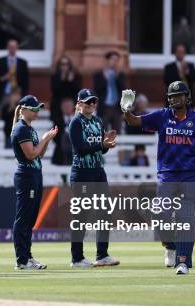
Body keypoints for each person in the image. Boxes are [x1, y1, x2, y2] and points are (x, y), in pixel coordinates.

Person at [122, 81, 195, 275]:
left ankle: (183, 262)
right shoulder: (162, 116)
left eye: (178, 96)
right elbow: (134, 121)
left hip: (191, 175)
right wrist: (126, 110)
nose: (174, 99)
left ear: (187, 97)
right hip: (167, 175)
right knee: (160, 214)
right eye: (171, 97)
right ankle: (170, 245)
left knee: (185, 217)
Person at [68, 89, 119, 268]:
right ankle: (77, 258)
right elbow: (79, 149)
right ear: (80, 104)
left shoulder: (98, 121)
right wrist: (101, 144)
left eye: (93, 102)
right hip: (82, 173)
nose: (91, 105)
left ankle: (102, 254)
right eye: (87, 102)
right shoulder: (75, 122)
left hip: (98, 171)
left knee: (104, 214)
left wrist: (107, 145)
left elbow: (100, 148)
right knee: (81, 216)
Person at [10, 95, 58, 270]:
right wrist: (45, 139)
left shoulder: (29, 129)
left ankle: (27, 256)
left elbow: (38, 154)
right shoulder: (21, 129)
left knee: (30, 218)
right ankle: (22, 259)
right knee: (24, 217)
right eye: (33, 108)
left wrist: (47, 140)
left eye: (38, 108)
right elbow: (30, 155)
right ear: (23, 110)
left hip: (35, 173)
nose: (37, 111)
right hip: (27, 175)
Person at [0, 39, 29, 115]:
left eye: (14, 47)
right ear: (7, 48)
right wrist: (3, 78)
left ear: (17, 48)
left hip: (17, 93)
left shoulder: (22, 63)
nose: (12, 49)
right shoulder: (0, 61)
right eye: (10, 47)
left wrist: (22, 95)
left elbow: (26, 82)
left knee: (19, 113)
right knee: (2, 113)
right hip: (4, 93)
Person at [93, 51, 125, 132]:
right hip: (104, 107)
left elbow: (123, 89)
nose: (115, 62)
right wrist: (105, 80)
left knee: (117, 132)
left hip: (116, 107)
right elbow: (97, 89)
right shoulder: (99, 75)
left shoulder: (120, 75)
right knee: (103, 132)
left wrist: (117, 78)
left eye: (117, 60)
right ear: (107, 61)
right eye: (113, 59)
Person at [50, 56, 82, 123]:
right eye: (62, 64)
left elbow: (78, 90)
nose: (64, 66)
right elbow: (55, 91)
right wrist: (61, 80)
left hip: (72, 103)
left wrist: (71, 81)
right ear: (59, 66)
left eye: (66, 64)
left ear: (69, 65)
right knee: (58, 124)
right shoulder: (55, 76)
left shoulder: (75, 76)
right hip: (58, 104)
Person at [51, 98, 75, 166]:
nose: (67, 108)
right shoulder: (57, 121)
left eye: (68, 106)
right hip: (61, 154)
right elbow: (55, 139)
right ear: (61, 108)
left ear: (73, 107)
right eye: (65, 106)